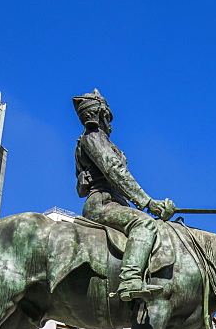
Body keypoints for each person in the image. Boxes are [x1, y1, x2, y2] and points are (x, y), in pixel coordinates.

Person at [73, 89, 176, 302]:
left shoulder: (100, 140)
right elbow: (114, 170)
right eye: (108, 116)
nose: (110, 122)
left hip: (116, 202)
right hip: (102, 202)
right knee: (145, 224)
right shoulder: (92, 137)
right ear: (100, 115)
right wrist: (148, 203)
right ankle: (130, 279)